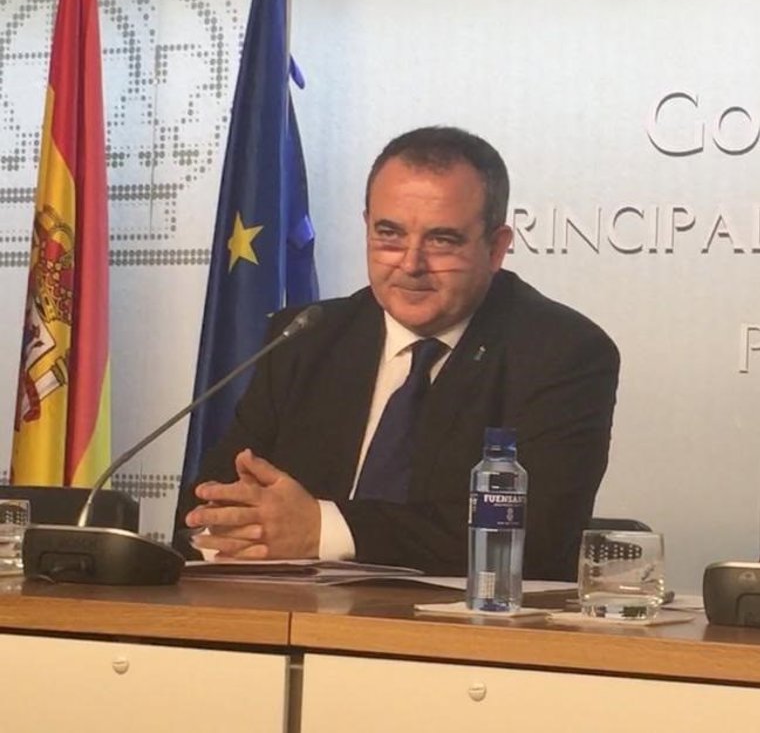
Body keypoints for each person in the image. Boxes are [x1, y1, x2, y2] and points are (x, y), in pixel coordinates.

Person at [178, 126, 619, 579]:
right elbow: (210, 506)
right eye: (389, 234)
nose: (411, 264)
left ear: (496, 248)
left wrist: (321, 529)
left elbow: (536, 534)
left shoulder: (562, 352)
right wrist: (233, 529)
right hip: (291, 613)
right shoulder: (307, 338)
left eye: (442, 240)